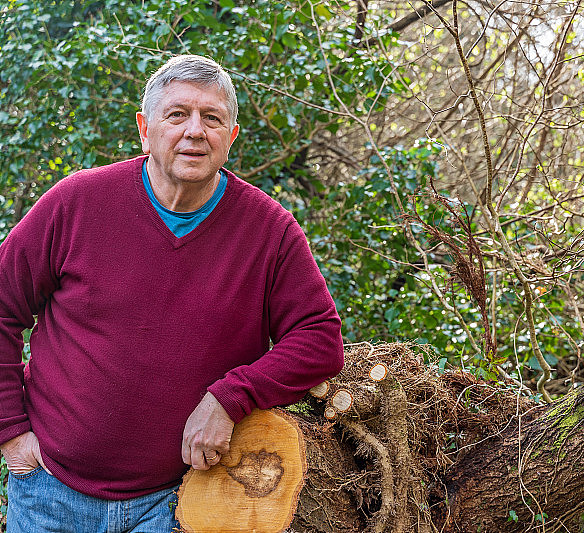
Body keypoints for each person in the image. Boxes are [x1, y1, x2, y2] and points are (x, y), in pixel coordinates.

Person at [0, 54, 344, 531]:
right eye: (177, 114)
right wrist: (9, 429)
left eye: (212, 118)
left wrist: (230, 397)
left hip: (181, 503)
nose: (195, 131)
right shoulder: (76, 203)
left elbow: (319, 340)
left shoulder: (270, 232)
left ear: (232, 137)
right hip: (50, 494)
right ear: (145, 128)